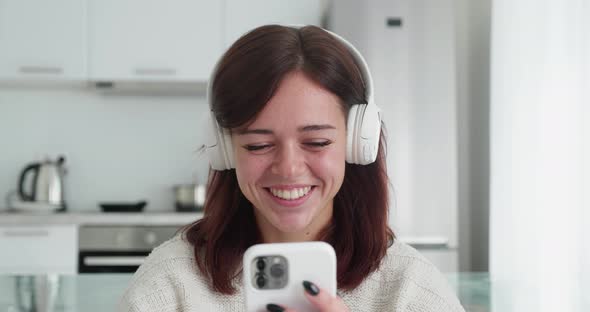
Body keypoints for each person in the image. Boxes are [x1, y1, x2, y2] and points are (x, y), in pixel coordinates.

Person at [119, 25, 465, 312]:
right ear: (223, 149)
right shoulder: (169, 285)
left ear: (357, 142)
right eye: (258, 145)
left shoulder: (412, 290)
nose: (288, 169)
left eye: (316, 143)